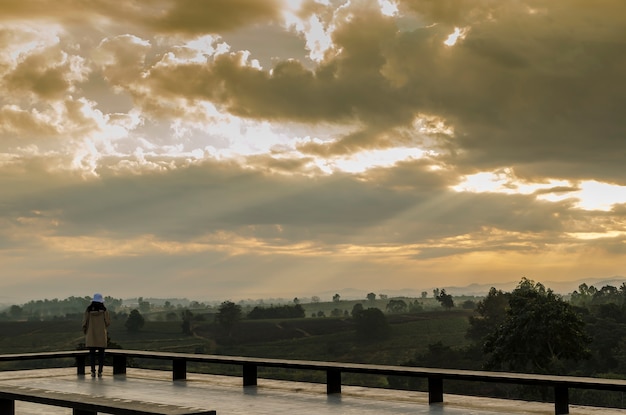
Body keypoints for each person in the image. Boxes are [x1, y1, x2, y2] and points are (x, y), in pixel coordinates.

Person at [82, 293, 111, 377]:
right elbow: (108, 322)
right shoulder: (104, 310)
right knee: (101, 354)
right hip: (101, 335)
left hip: (91, 335)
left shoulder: (88, 310)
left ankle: (93, 371)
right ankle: (100, 371)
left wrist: (86, 331)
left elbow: (84, 322)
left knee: (92, 355)